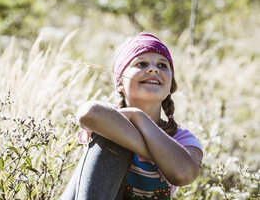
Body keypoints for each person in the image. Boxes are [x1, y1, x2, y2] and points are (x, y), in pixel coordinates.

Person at [59, 33, 203, 200]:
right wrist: (162, 155)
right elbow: (89, 113)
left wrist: (138, 117)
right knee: (112, 136)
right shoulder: (108, 119)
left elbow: (184, 173)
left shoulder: (182, 139)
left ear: (171, 86)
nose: (153, 69)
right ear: (119, 82)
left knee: (117, 134)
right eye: (141, 63)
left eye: (162, 65)